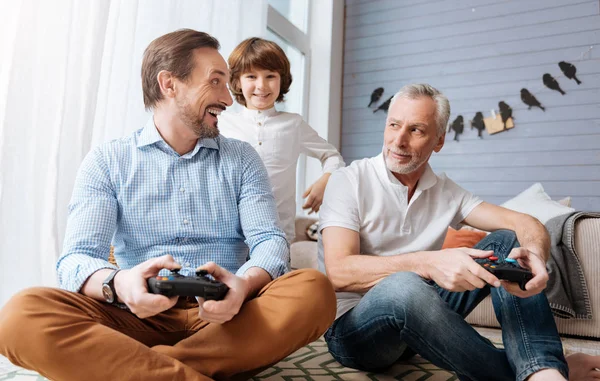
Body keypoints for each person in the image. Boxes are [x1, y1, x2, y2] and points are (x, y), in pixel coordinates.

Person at [0, 29, 335, 381]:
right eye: (216, 82)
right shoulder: (108, 160)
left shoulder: (242, 159)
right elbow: (76, 259)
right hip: (136, 316)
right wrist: (120, 284)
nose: (229, 98)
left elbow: (269, 240)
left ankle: (140, 367)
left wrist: (244, 285)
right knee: (20, 316)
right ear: (169, 84)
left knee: (314, 290)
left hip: (228, 316)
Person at [317, 84, 600, 381]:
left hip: (416, 327)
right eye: (394, 125)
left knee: (508, 242)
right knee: (404, 285)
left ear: (438, 141)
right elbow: (339, 271)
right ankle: (550, 371)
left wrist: (536, 255)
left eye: (416, 130)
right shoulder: (347, 181)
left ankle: (543, 369)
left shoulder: (446, 192)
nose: (398, 140)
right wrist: (427, 262)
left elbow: (525, 223)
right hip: (353, 334)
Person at [218, 37, 345, 242]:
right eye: (251, 76)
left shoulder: (293, 124)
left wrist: (326, 180)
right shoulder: (221, 123)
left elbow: (332, 156)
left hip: (279, 233)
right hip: (230, 233)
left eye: (270, 76)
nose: (261, 85)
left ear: (281, 79)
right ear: (237, 81)